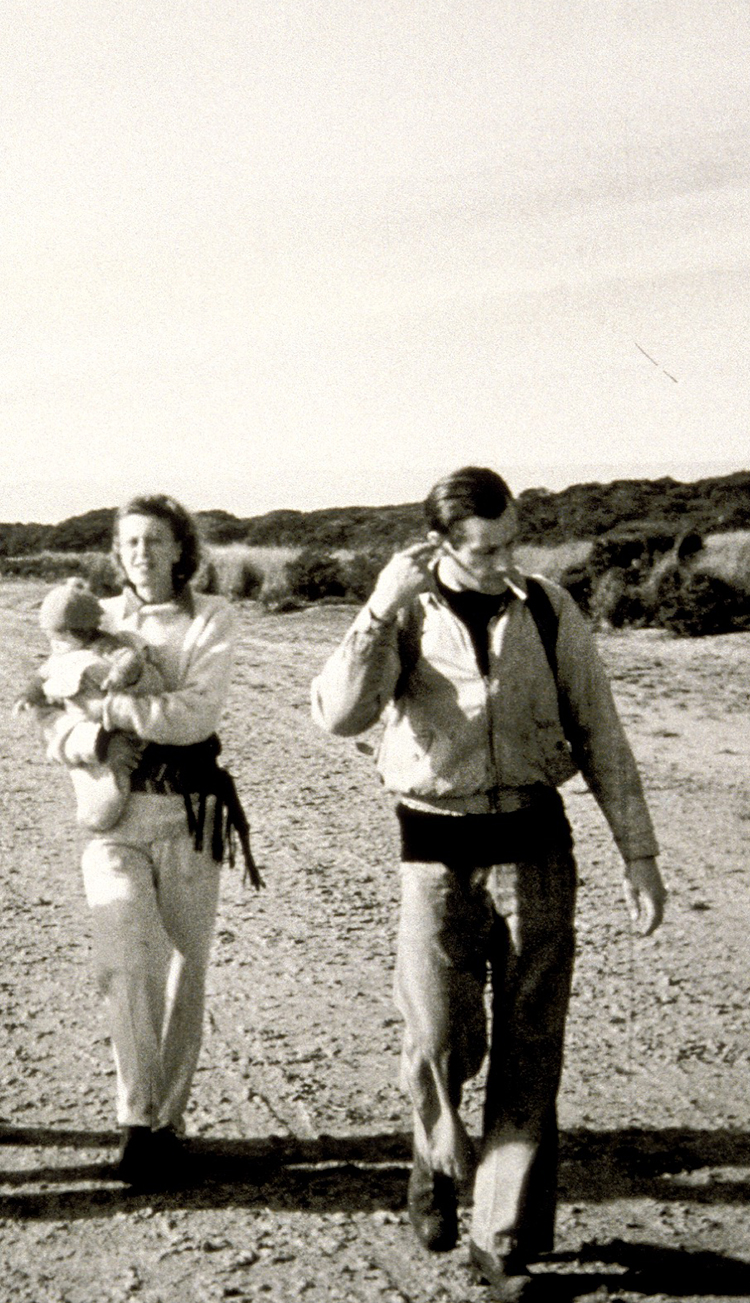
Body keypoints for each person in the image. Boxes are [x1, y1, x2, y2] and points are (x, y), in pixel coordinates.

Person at [311, 467, 666, 1302]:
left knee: (531, 1046)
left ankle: (501, 1241)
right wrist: (375, 612)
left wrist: (638, 854)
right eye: (486, 550)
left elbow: (599, 728)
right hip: (433, 852)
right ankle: (436, 1159)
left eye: (515, 542)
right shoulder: (400, 610)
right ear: (441, 547)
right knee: (438, 1038)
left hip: (537, 842)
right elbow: (337, 715)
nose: (507, 561)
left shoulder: (545, 606)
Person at [34, 495, 260, 1189]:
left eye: (155, 541)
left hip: (191, 814)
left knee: (182, 974)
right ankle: (136, 1121)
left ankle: (167, 1126)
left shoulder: (213, 619)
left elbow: (194, 716)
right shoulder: (93, 618)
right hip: (114, 817)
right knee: (126, 960)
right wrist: (92, 737)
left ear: (180, 551)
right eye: (129, 541)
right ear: (116, 552)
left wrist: (106, 707)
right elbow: (49, 715)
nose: (140, 553)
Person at [15, 578, 165, 833]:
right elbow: (41, 676)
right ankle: (98, 802)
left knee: (116, 771)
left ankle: (110, 796)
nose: (54, 645)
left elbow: (130, 659)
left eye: (59, 638)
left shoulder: (104, 644)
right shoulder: (60, 653)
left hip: (112, 717)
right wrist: (28, 696)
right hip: (84, 722)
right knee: (88, 771)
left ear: (77, 632)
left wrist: (118, 675)